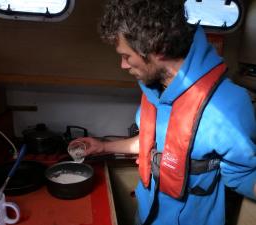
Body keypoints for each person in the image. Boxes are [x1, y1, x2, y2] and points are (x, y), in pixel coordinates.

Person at [69, 0, 256, 224]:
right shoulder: (155, 87)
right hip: (146, 214)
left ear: (158, 50)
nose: (123, 65)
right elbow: (154, 142)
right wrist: (103, 146)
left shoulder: (228, 106)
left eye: (126, 56)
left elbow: (244, 173)